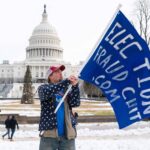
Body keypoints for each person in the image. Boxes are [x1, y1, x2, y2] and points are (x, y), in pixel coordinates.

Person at [38, 65, 80, 150]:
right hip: (49, 134)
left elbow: (75, 103)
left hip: (67, 134)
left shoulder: (66, 90)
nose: (60, 73)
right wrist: (66, 82)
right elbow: (51, 90)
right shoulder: (43, 88)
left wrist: (75, 87)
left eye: (61, 72)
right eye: (57, 72)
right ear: (50, 76)